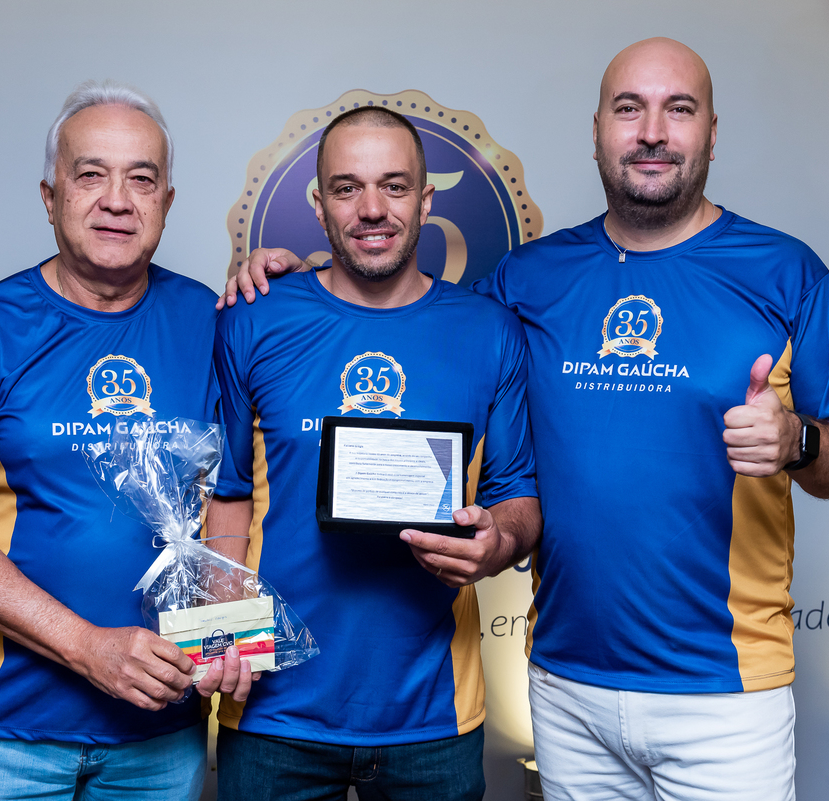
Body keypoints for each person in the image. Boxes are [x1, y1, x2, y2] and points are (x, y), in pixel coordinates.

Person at [222, 38, 829, 801]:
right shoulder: (524, 282)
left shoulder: (787, 271)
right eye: (629, 109)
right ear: (597, 130)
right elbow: (402, 317)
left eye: (678, 109)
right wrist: (291, 280)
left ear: (711, 132)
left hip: (725, 691)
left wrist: (799, 439)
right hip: (566, 685)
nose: (652, 132)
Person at [0, 80, 249, 801]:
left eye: (141, 179)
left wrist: (226, 633)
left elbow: (231, 495)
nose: (117, 200)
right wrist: (89, 648)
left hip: (162, 727)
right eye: (91, 174)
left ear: (167, 203)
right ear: (49, 195)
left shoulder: (213, 321)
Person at [205, 106, 542, 801]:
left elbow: (518, 495)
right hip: (273, 713)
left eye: (394, 185)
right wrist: (220, 640)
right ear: (319, 203)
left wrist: (499, 542)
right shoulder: (255, 318)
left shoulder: (489, 331)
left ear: (426, 199)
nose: (371, 209)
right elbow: (226, 494)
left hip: (434, 719)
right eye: (347, 187)